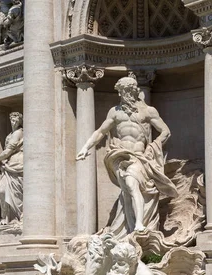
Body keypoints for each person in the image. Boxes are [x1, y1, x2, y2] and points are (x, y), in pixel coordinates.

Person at [76, 76, 177, 237]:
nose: (124, 95)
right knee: (126, 193)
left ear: (134, 91)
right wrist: (86, 147)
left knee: (131, 184)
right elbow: (101, 131)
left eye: (127, 91)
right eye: (122, 92)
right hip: (120, 157)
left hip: (138, 157)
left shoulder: (148, 111)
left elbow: (165, 131)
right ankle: (129, 229)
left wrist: (153, 147)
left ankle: (139, 223)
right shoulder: (115, 112)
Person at [0, 112, 23, 226]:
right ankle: (5, 218)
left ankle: (19, 217)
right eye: (11, 120)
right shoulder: (10, 134)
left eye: (15, 120)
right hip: (8, 165)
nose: (13, 122)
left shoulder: (19, 133)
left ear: (20, 121)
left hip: (17, 163)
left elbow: (9, 149)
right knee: (3, 190)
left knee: (17, 192)